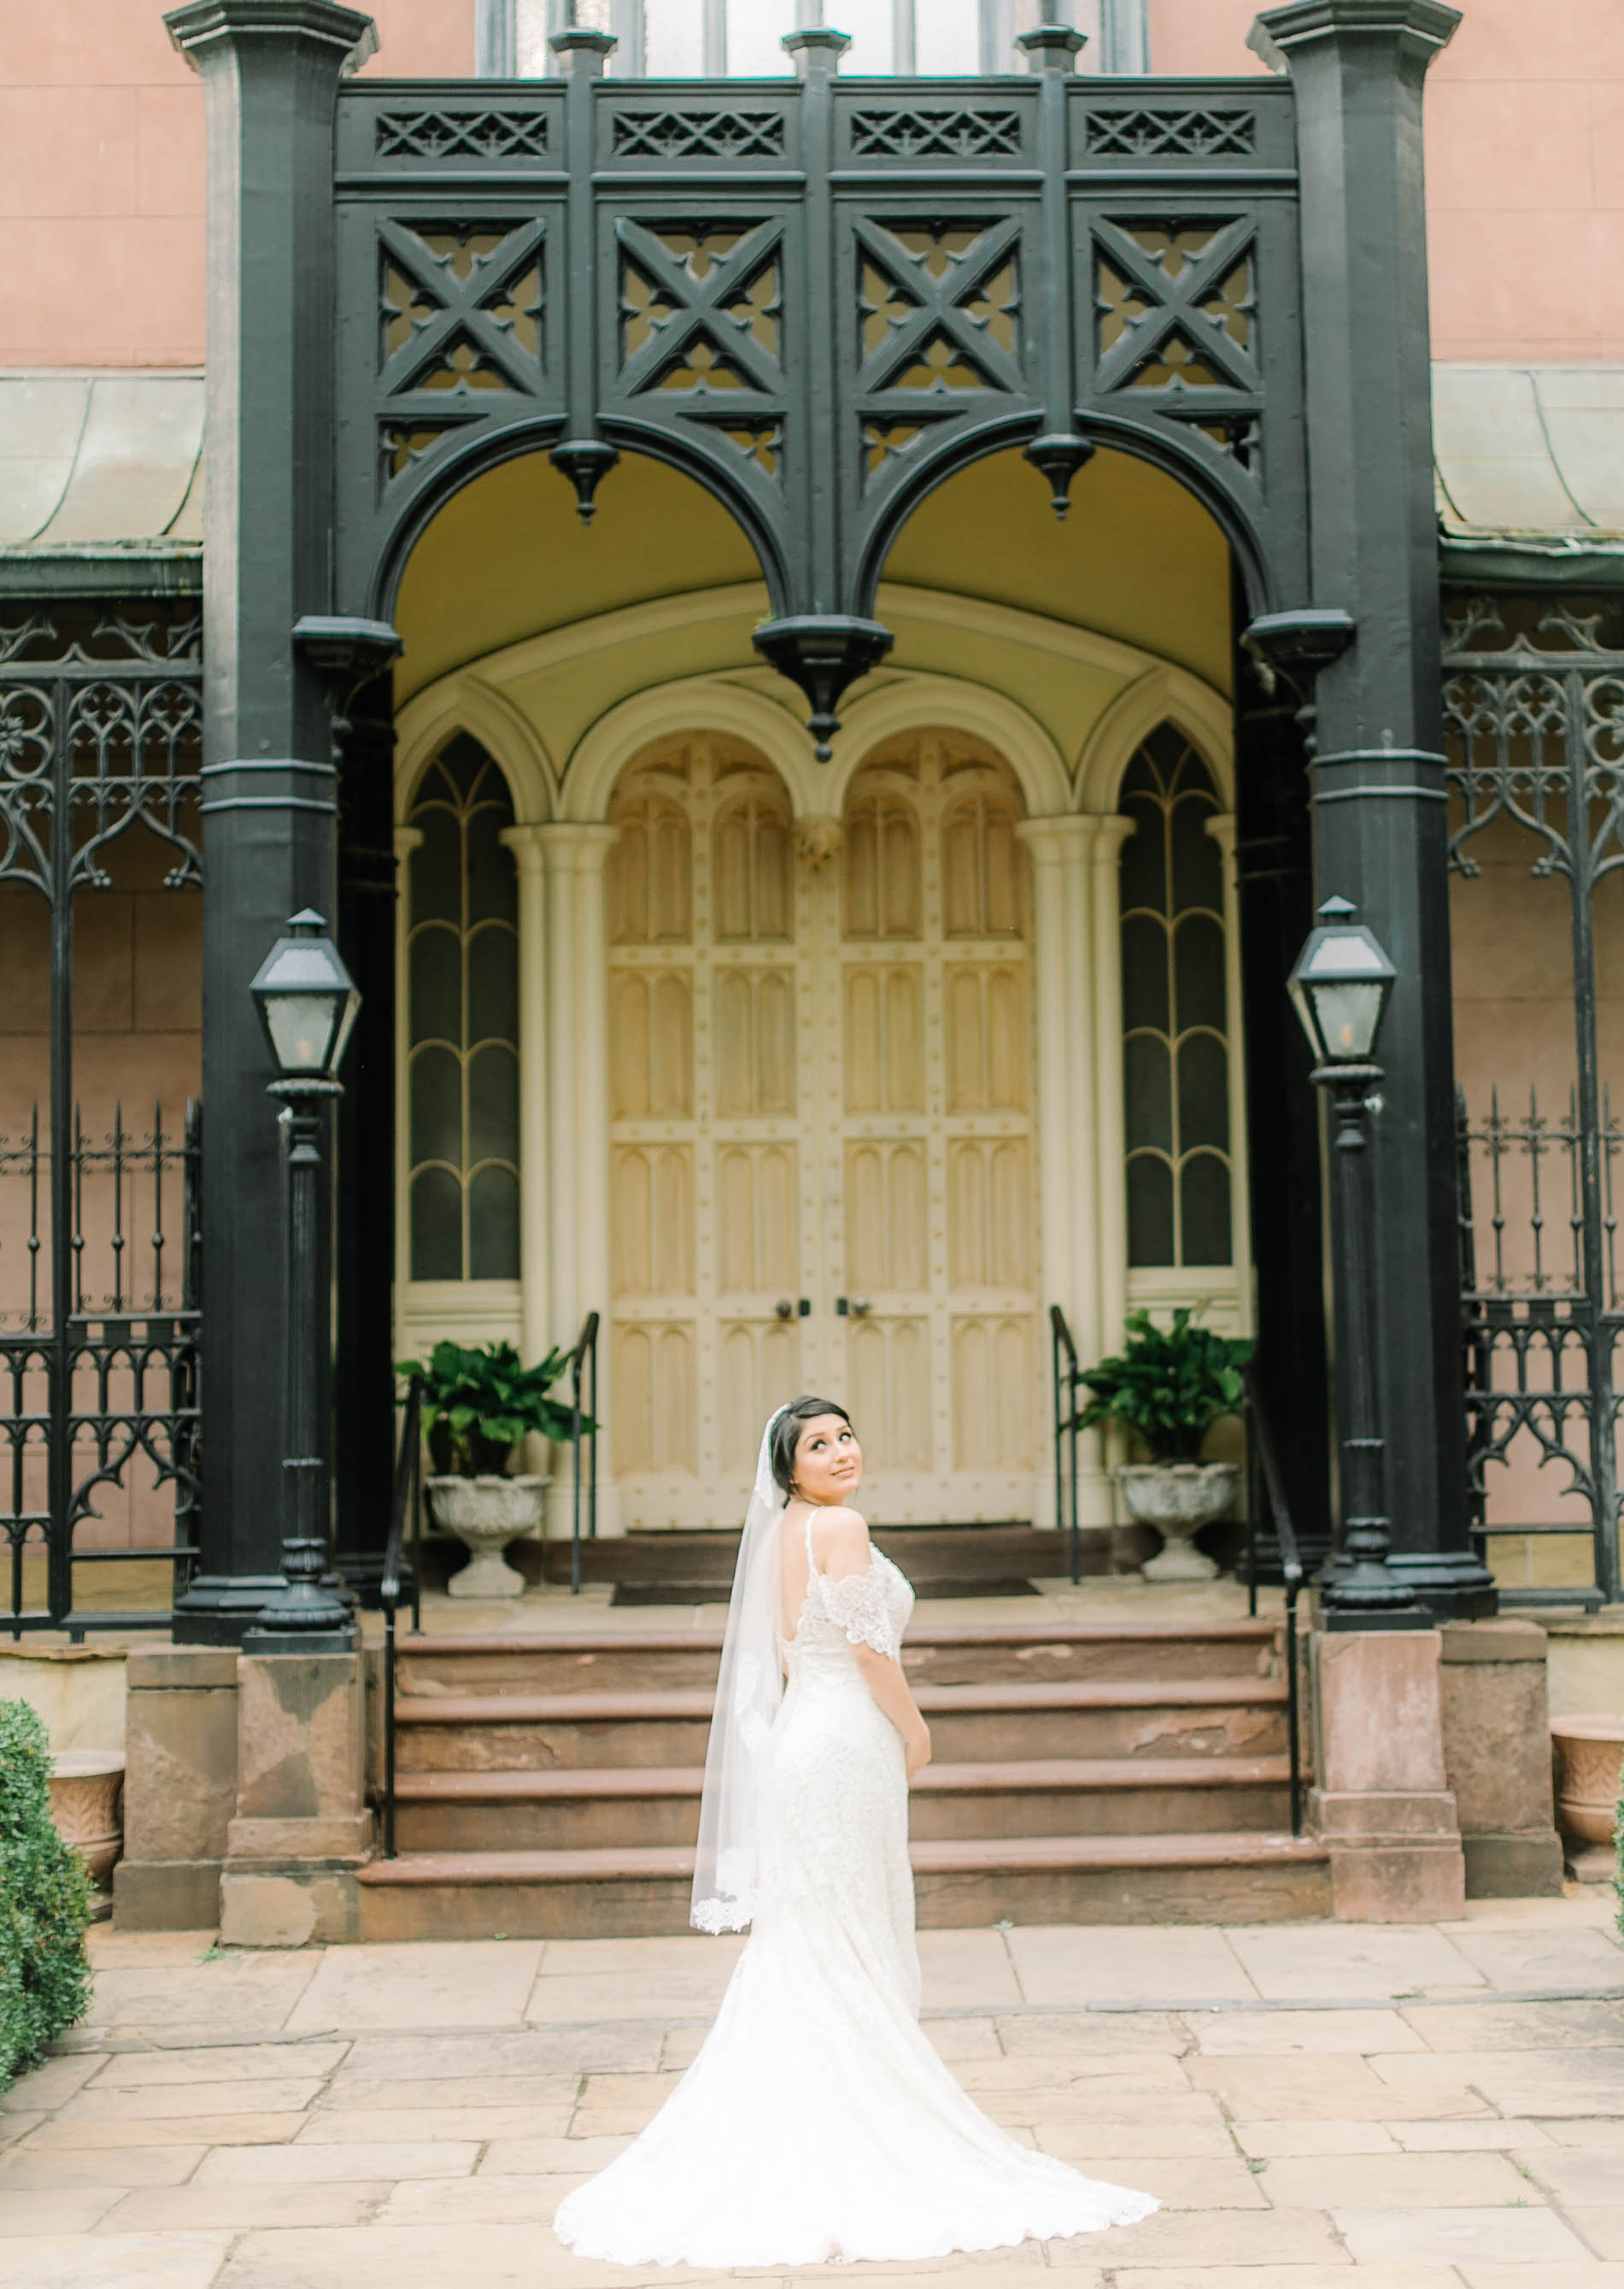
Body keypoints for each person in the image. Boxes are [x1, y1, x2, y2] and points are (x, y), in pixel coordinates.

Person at [553, 1396, 1158, 2268]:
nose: (840, 1453)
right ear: (786, 1467)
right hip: (843, 1744)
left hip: (806, 1739)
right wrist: (913, 1729)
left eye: (844, 1436)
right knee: (852, 1931)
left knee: (815, 1934)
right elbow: (869, 1648)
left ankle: (797, 2121)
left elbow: (798, 1652)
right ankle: (866, 2119)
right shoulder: (840, 1529)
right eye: (816, 1444)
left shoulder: (779, 1536)